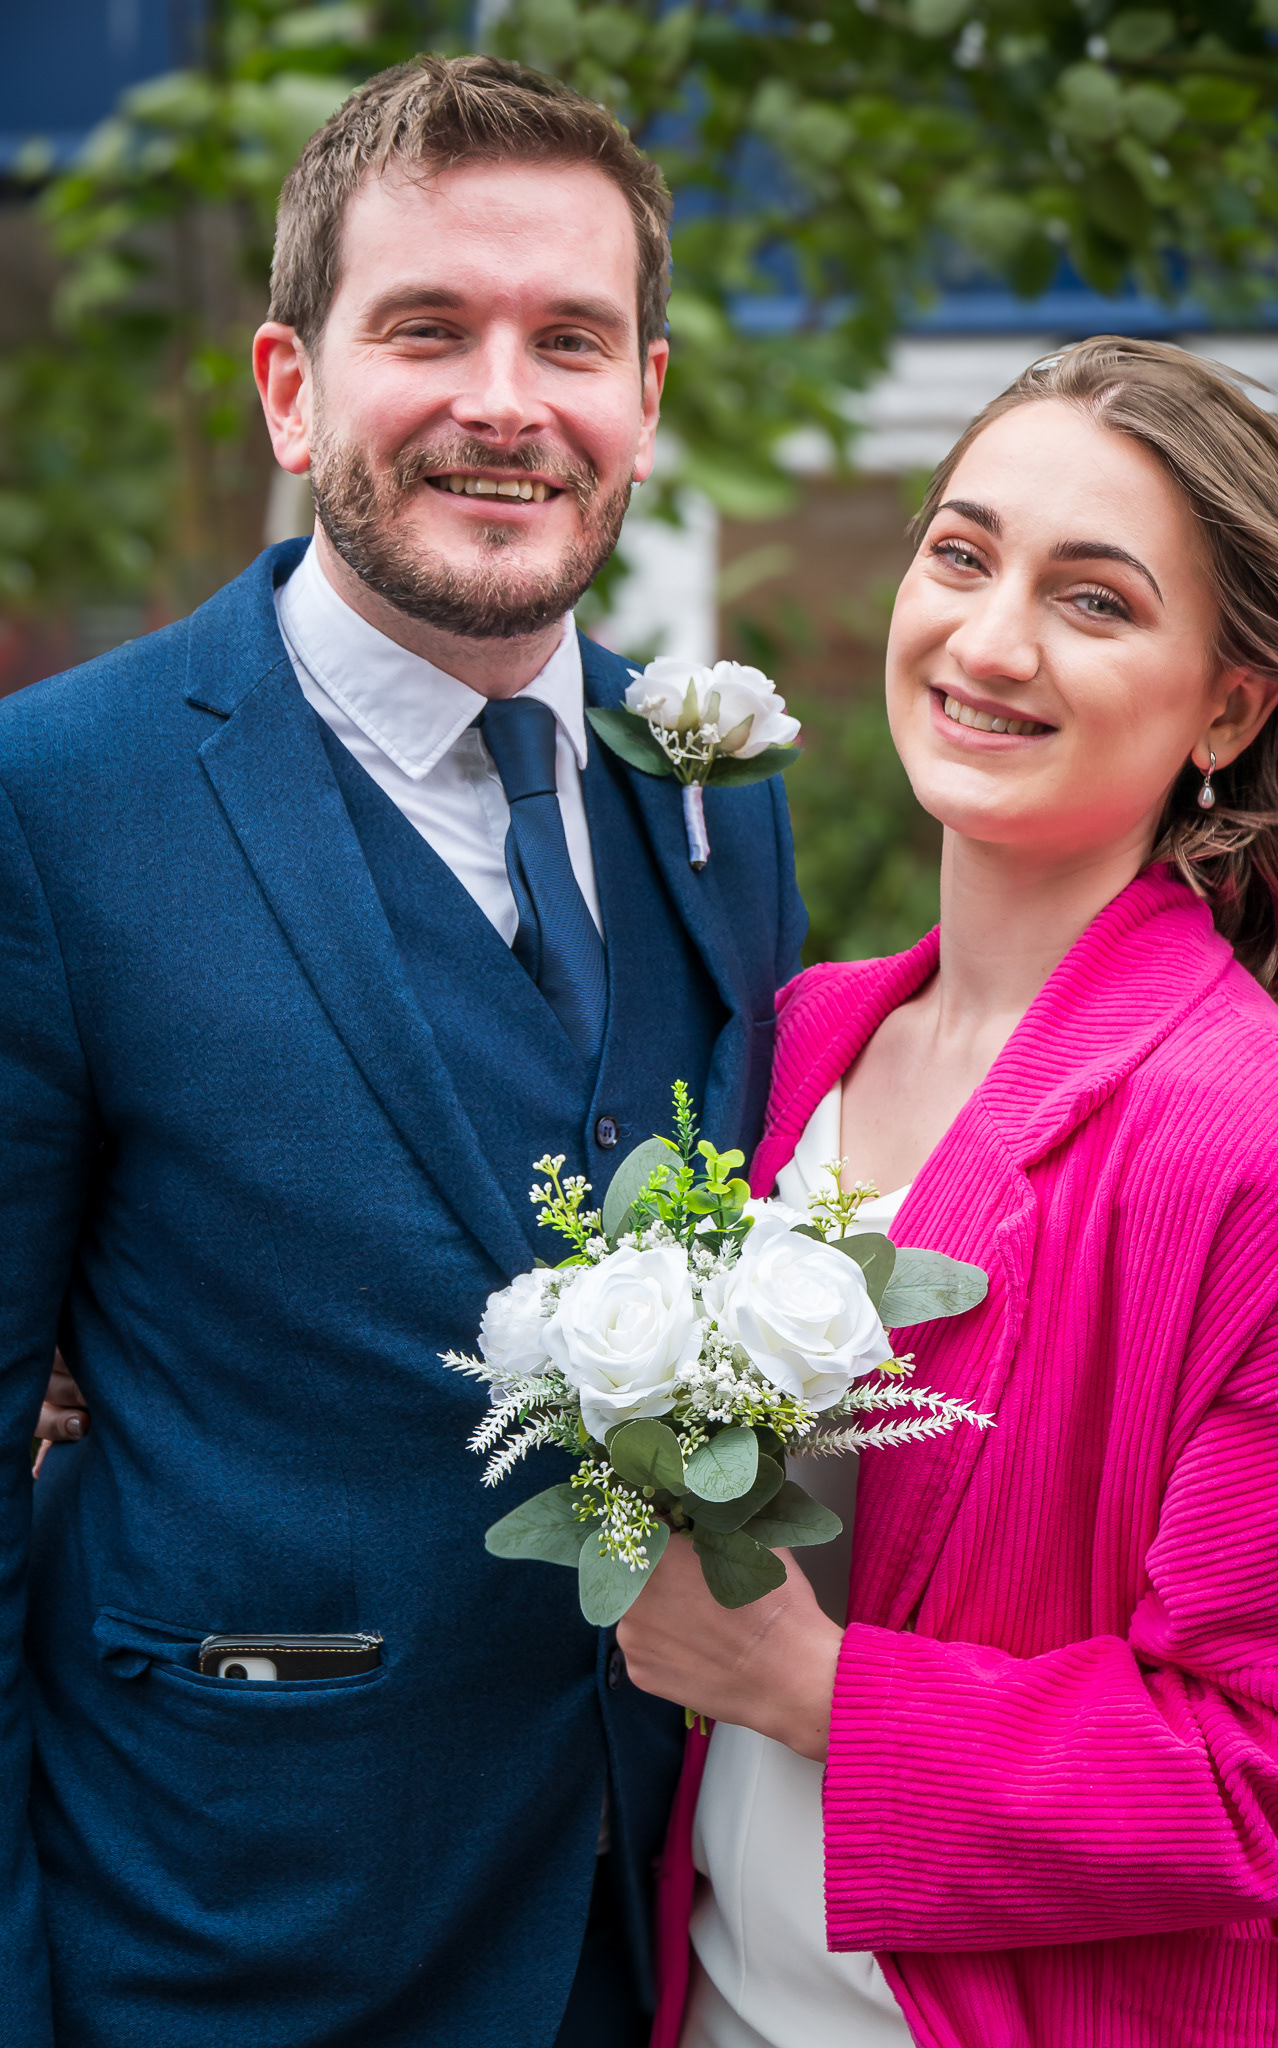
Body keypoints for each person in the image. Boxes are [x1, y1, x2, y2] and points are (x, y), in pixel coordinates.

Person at [0, 55, 804, 2048]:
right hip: (215, 1938)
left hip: (652, 1927)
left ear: (649, 396)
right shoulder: (51, 802)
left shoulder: (714, 789)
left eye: (572, 341)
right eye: (426, 328)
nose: (505, 401)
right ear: (290, 386)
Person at [616, 337, 1278, 2048]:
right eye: (960, 554)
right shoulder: (794, 1041)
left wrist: (817, 1696)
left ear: (1228, 709)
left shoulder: (1263, 1156)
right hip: (710, 1998)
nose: (990, 639)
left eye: (1092, 602)